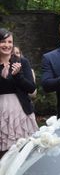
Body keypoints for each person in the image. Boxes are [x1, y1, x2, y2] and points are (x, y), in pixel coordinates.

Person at [0, 29, 38, 157]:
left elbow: (31, 88)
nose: (7, 45)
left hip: (20, 111)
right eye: (3, 41)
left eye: (10, 42)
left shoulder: (21, 62)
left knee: (23, 151)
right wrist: (2, 77)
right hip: (1, 112)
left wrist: (18, 76)